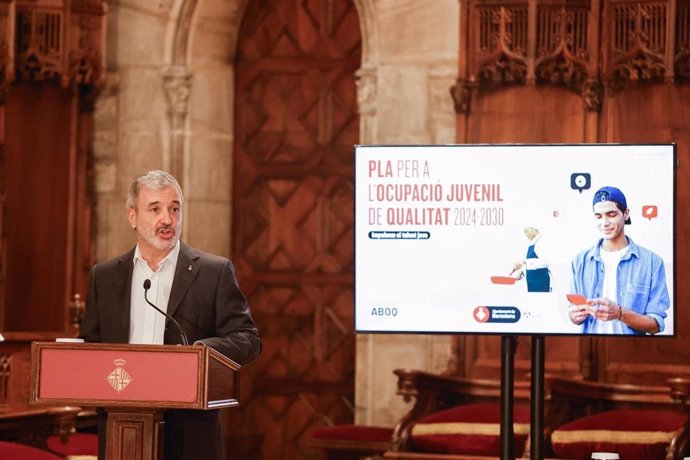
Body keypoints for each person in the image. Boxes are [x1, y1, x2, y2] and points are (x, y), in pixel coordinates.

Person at [80, 170, 261, 460]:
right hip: (121, 427)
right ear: (132, 217)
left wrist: (200, 353)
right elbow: (91, 344)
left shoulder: (213, 272)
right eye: (155, 209)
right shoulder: (105, 276)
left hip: (189, 431)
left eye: (174, 209)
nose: (167, 219)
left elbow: (247, 340)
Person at [568, 186, 669, 335]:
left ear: (626, 214)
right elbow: (572, 313)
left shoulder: (652, 262)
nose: (604, 222)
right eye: (598, 216)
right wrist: (575, 316)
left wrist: (619, 313)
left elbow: (656, 325)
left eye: (611, 214)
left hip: (630, 353)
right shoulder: (579, 261)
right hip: (590, 350)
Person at [512, 226, 551, 292]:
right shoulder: (532, 244)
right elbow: (532, 264)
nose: (526, 234)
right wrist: (522, 271)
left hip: (540, 282)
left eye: (528, 231)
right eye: (525, 233)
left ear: (535, 229)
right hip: (532, 282)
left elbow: (545, 262)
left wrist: (524, 261)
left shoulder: (541, 241)